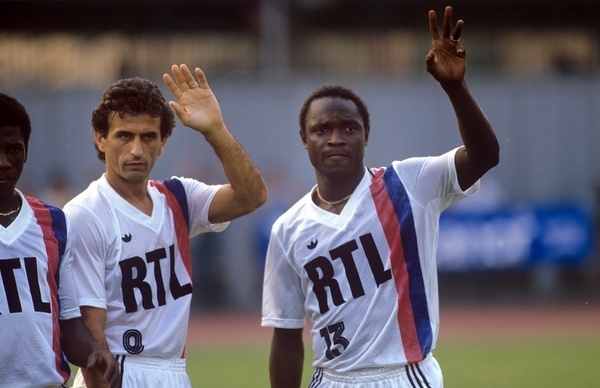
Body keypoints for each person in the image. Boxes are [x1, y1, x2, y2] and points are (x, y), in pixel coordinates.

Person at [261, 6, 500, 388]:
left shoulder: (409, 183)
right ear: (304, 140)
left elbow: (486, 156)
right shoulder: (287, 229)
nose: (335, 138)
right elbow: (287, 337)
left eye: (349, 128)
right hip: (331, 378)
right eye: (322, 129)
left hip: (406, 376)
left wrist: (455, 88)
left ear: (365, 136)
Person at [65, 64, 267, 387]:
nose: (136, 149)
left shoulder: (179, 198)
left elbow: (252, 196)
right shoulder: (85, 214)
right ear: (100, 140)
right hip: (119, 370)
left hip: (173, 371)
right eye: (124, 136)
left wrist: (215, 130)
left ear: (163, 142)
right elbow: (92, 338)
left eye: (148, 137)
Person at [0, 93, 119, 387]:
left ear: (26, 152)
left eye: (13, 149)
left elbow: (68, 324)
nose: (3, 162)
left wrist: (94, 352)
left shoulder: (55, 222)